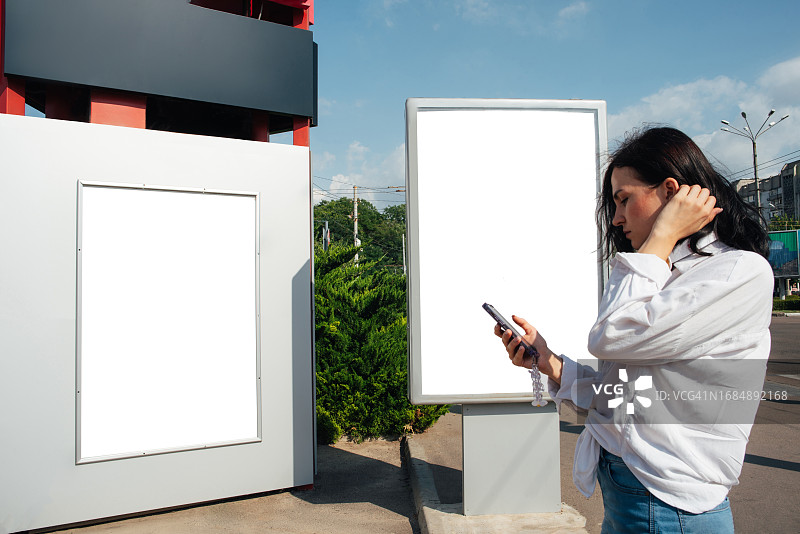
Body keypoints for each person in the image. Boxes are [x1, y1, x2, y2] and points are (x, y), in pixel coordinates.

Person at [495, 126, 773, 533]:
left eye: (623, 199)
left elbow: (613, 336)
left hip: (667, 505)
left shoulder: (736, 272)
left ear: (670, 191)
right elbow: (630, 391)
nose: (616, 217)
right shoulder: (663, 271)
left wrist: (661, 235)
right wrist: (550, 362)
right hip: (634, 494)